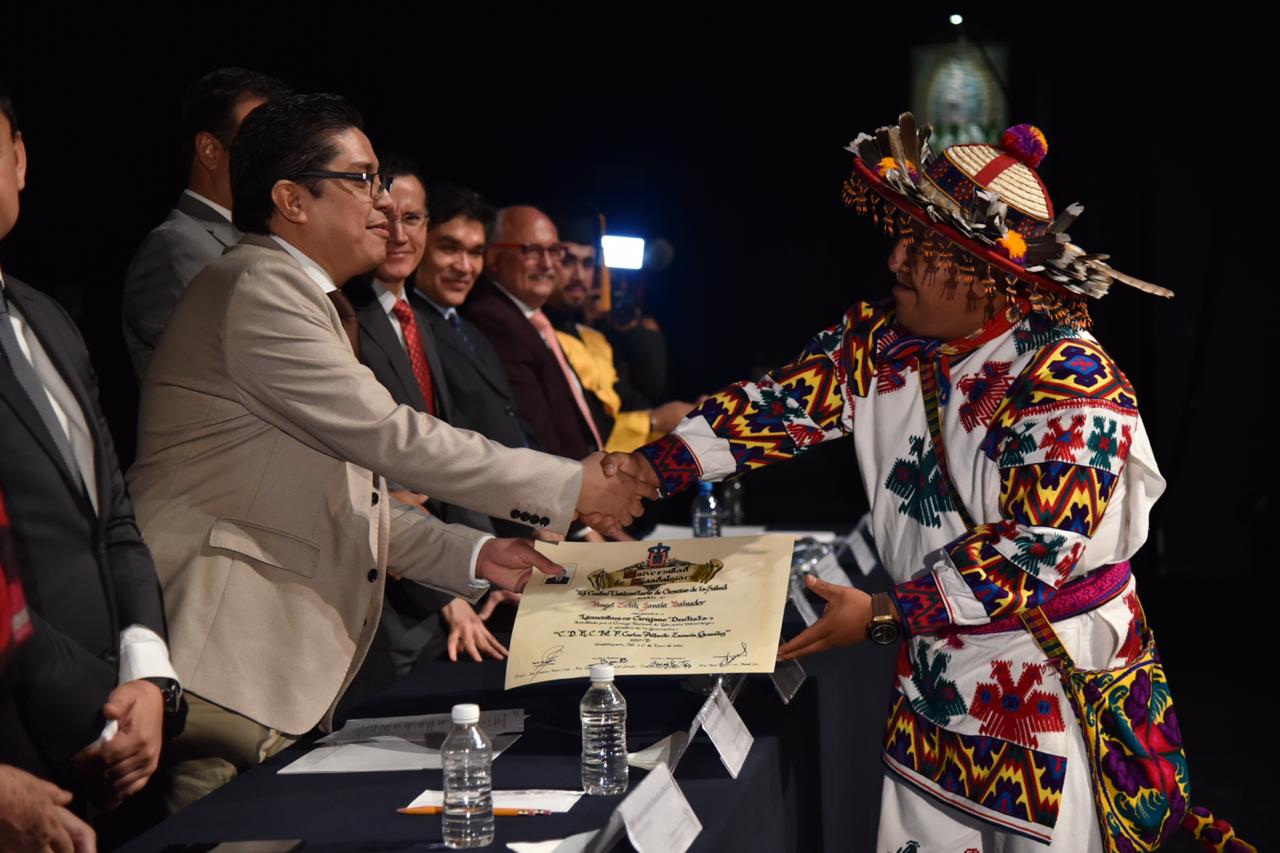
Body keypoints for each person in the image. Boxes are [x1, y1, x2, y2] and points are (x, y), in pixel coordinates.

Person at [606, 115, 1179, 851]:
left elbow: (1035, 551)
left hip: (1042, 683)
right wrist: (650, 468)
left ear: (984, 268)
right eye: (902, 233)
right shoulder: (881, 340)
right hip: (934, 675)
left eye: (925, 246)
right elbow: (780, 405)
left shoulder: (1070, 379)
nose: (896, 257)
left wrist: (880, 614)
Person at [127, 93, 646, 811]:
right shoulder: (261, 287)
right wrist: (569, 486)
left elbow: (348, 492)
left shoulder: (309, 296)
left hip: (277, 677)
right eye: (362, 179)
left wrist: (472, 556)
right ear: (290, 199)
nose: (382, 201)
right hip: (227, 668)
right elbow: (394, 439)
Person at [0, 86, 181, 814]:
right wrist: (100, 710)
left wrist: (147, 675)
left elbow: (113, 517)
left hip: (124, 738)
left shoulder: (48, 318)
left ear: (17, 161)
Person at [344, 154, 513, 671]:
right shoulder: (341, 314)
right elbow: (372, 481)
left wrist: (485, 562)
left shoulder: (417, 318)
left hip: (452, 590)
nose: (399, 233)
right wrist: (446, 594)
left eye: (413, 218)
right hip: (388, 600)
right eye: (385, 215)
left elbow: (448, 461)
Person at [122, 67, 289, 380]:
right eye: (258, 145)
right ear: (210, 151)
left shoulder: (268, 234)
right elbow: (209, 378)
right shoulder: (173, 249)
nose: (275, 163)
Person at [543, 214, 692, 453]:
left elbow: (640, 398)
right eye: (568, 261)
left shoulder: (595, 339)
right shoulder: (536, 333)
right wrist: (654, 421)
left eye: (588, 263)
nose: (580, 276)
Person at [463, 205, 601, 460]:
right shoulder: (494, 319)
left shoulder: (533, 319)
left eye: (555, 251)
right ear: (492, 258)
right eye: (532, 251)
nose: (548, 264)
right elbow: (536, 431)